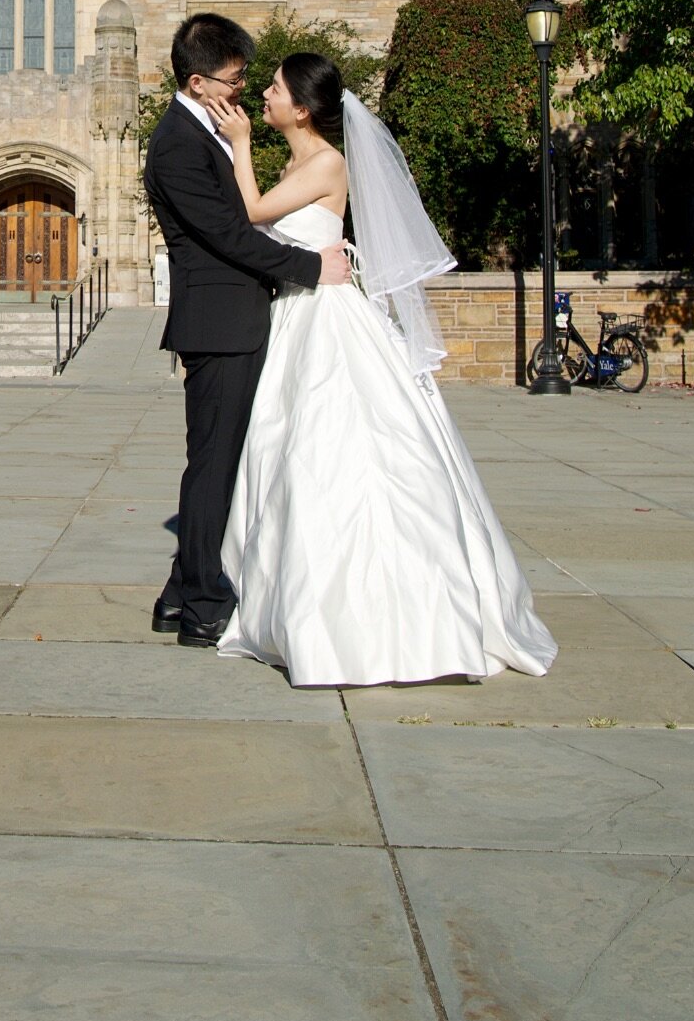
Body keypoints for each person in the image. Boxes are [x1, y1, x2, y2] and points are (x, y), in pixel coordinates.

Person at [205, 52, 557, 686]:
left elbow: (252, 212)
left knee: (343, 444)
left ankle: (388, 620)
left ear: (302, 108)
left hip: (329, 318)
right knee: (288, 451)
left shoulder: (326, 162)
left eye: (274, 88)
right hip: (296, 311)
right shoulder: (299, 161)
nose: (263, 94)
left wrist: (238, 144)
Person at [143, 14, 352, 648]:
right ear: (199, 80)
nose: (244, 89)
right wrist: (312, 266)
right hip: (221, 323)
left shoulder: (204, 129)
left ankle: (178, 595)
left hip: (237, 319)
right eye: (235, 79)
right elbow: (231, 236)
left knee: (217, 461)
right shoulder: (177, 143)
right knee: (214, 467)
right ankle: (206, 602)